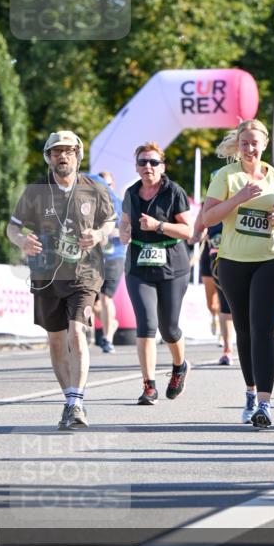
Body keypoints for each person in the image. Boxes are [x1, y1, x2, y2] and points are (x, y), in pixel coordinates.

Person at [7, 131, 116, 430]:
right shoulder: (35, 191)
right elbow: (12, 228)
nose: (62, 156)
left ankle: (76, 402)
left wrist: (99, 234)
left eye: (68, 151)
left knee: (76, 333)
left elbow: (110, 221)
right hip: (45, 275)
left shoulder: (94, 188)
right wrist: (22, 242)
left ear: (78, 154)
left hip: (85, 273)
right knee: (56, 339)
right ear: (48, 157)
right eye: (56, 152)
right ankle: (69, 398)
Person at [202, 119, 274, 429]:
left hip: (272, 258)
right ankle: (250, 391)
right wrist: (238, 199)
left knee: (263, 329)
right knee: (243, 329)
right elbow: (207, 217)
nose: (250, 148)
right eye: (245, 143)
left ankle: (265, 404)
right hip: (233, 261)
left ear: (264, 144)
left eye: (255, 143)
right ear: (238, 145)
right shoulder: (226, 176)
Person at [119, 142, 193, 405]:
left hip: (172, 265)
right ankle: (149, 386)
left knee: (169, 328)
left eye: (153, 162)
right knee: (147, 325)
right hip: (139, 266)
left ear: (163, 166)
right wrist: (124, 232)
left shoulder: (174, 192)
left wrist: (159, 225)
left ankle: (179, 366)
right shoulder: (130, 193)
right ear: (136, 167)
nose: (147, 167)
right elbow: (124, 223)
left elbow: (188, 231)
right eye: (142, 162)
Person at [192, 209, 235, 365]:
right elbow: (197, 229)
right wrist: (197, 235)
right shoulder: (209, 205)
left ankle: (228, 349)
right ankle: (217, 321)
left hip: (235, 259)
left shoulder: (241, 198)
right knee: (212, 303)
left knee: (227, 304)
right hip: (211, 258)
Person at [93, 171, 125, 354]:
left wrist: (106, 233)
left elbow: (124, 230)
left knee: (106, 297)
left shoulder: (119, 204)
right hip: (95, 257)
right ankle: (110, 323)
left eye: (108, 185)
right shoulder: (90, 204)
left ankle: (107, 339)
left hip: (115, 254)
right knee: (93, 303)